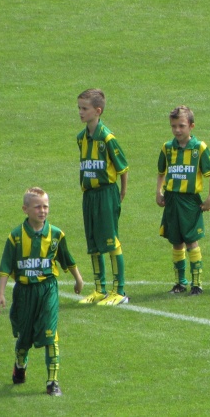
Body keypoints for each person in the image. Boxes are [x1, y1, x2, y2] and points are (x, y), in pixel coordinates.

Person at [0, 187, 84, 396]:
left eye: (46, 206)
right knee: (24, 338)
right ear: (25, 209)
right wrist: (1, 294)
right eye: (38, 207)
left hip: (48, 291)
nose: (42, 211)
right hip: (24, 293)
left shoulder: (56, 234)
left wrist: (78, 279)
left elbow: (67, 259)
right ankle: (20, 364)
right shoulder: (16, 237)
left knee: (50, 335)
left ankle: (52, 382)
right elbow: (6, 267)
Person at [156, 106, 210, 295]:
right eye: (174, 126)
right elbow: (161, 172)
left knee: (192, 241)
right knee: (176, 242)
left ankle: (197, 283)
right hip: (171, 200)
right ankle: (180, 283)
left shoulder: (199, 148)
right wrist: (158, 191)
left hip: (190, 202)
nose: (177, 130)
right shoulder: (167, 148)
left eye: (181, 126)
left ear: (191, 126)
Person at [76, 88, 130, 305]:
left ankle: (120, 291)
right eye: (79, 108)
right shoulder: (81, 138)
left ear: (97, 111)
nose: (80, 112)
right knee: (94, 242)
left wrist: (121, 193)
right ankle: (100, 289)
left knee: (111, 241)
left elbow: (123, 168)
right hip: (89, 196)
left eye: (84, 108)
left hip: (106, 194)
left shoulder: (107, 138)